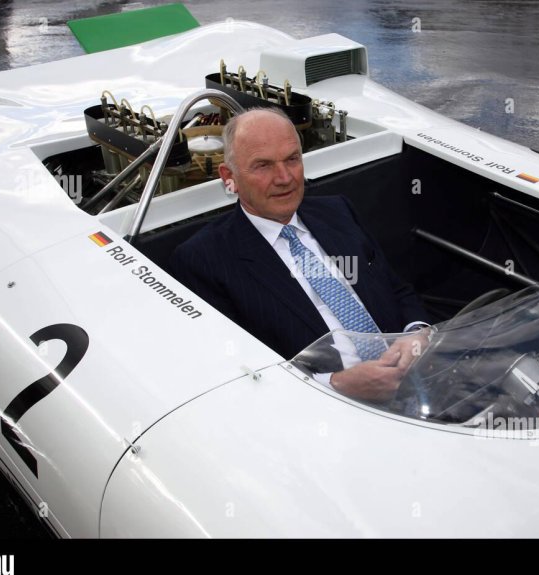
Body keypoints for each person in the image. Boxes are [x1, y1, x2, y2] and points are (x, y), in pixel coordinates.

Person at [170, 107, 432, 401]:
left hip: (418, 376)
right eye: (263, 165)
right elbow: (236, 376)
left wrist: (416, 334)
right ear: (229, 177)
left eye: (292, 159)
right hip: (328, 412)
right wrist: (335, 384)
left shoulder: (337, 211)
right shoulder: (205, 260)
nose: (284, 178)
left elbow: (396, 290)